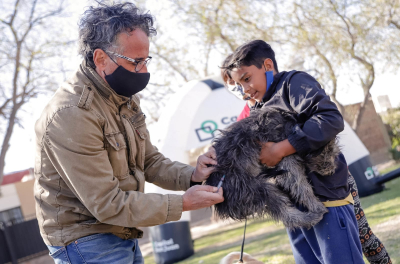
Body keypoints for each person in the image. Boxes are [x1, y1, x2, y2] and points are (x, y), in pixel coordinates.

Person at [34, 3, 223, 263]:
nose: (144, 72)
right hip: (86, 240)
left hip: (122, 230)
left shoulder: (122, 97)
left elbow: (149, 161)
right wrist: (182, 204)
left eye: (146, 61)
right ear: (101, 58)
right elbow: (107, 203)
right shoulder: (71, 115)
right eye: (136, 62)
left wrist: (193, 175)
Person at [221, 54, 392, 264]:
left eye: (245, 80)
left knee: (363, 235)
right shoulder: (252, 109)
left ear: (266, 66)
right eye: (235, 85)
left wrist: (280, 149)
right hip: (295, 201)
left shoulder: (292, 84)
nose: (242, 90)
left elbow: (328, 119)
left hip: (329, 190)